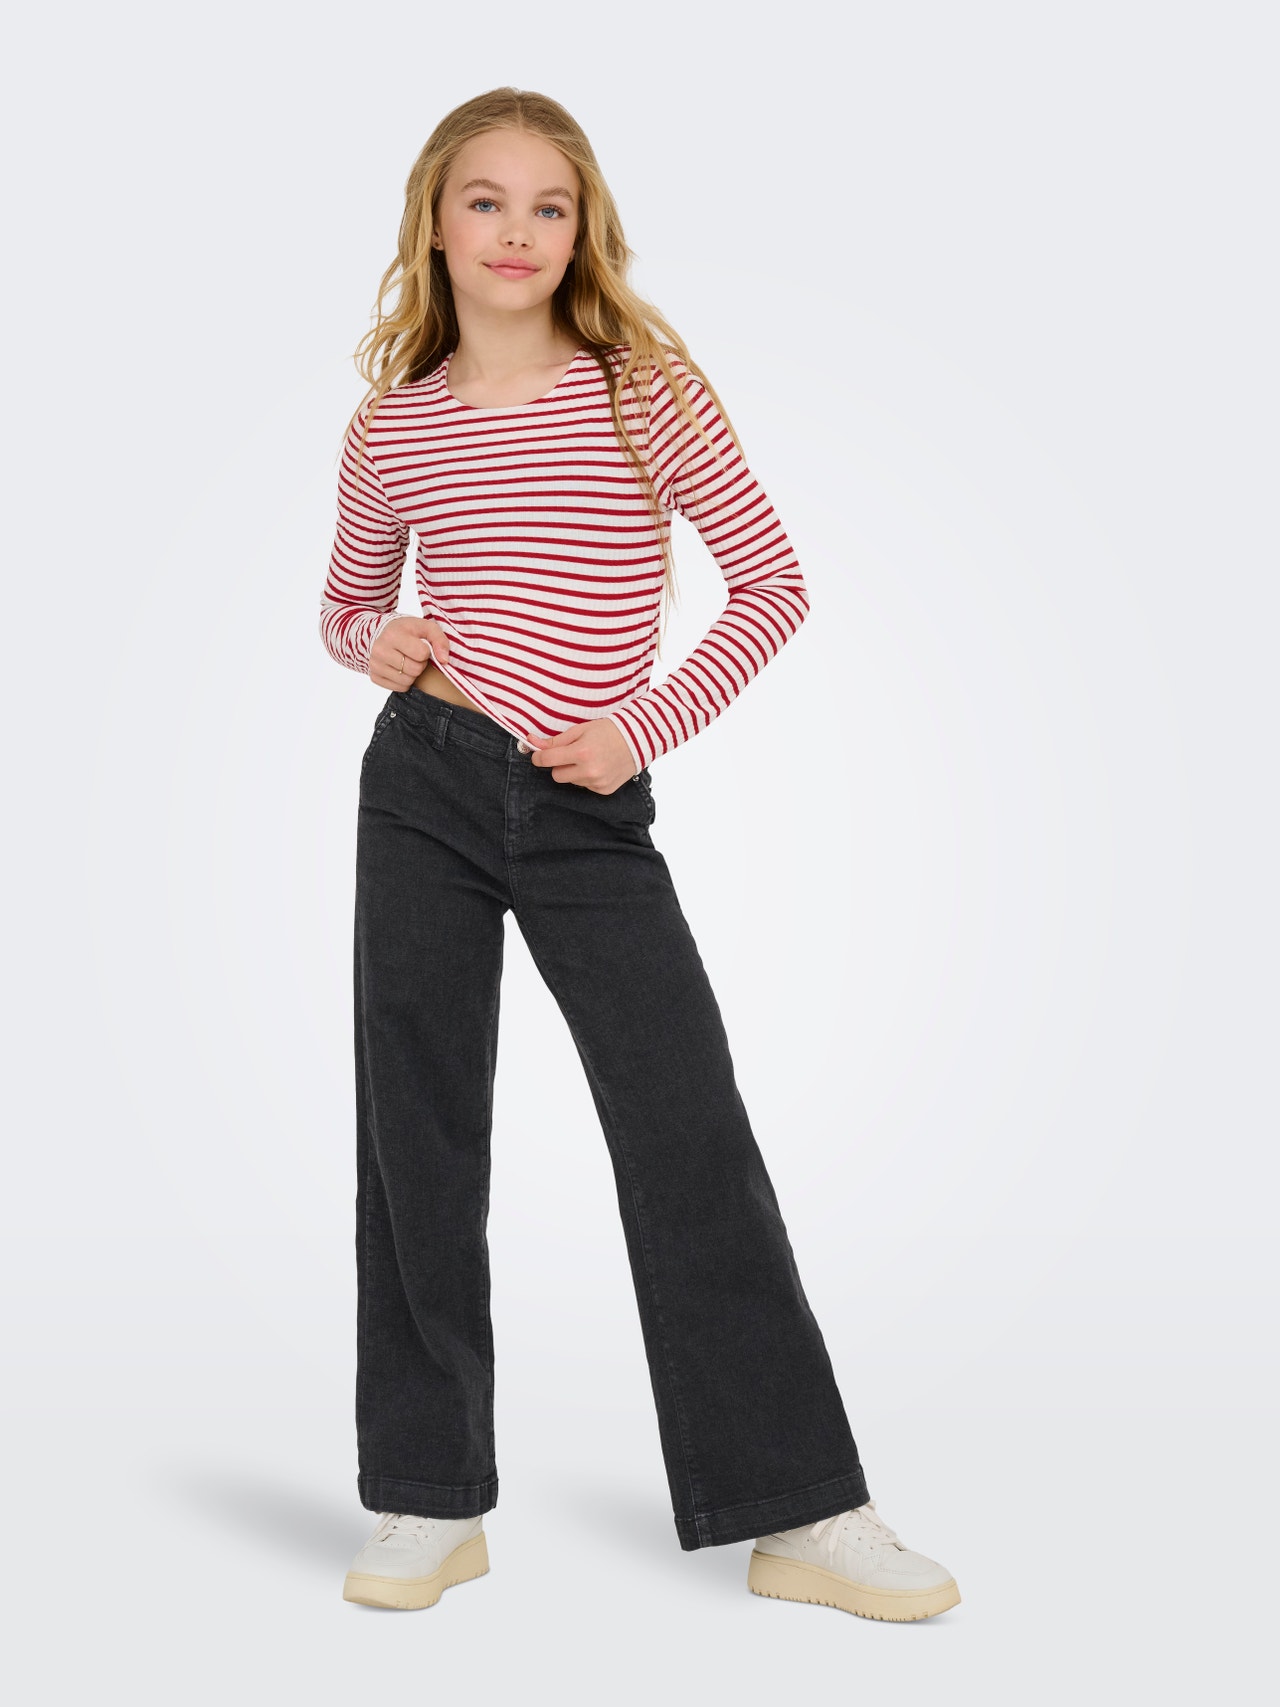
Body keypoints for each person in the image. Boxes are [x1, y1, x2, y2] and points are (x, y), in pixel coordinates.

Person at [319, 86, 960, 1623]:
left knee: (685, 1128)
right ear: (434, 224)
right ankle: (426, 1503)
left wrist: (640, 728)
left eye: (548, 206)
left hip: (586, 806)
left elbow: (771, 582)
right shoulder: (393, 425)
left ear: (582, 230)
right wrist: (374, 640)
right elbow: (343, 605)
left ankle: (800, 1509)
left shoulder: (642, 392)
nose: (517, 232)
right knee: (414, 1137)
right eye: (486, 202)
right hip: (423, 788)